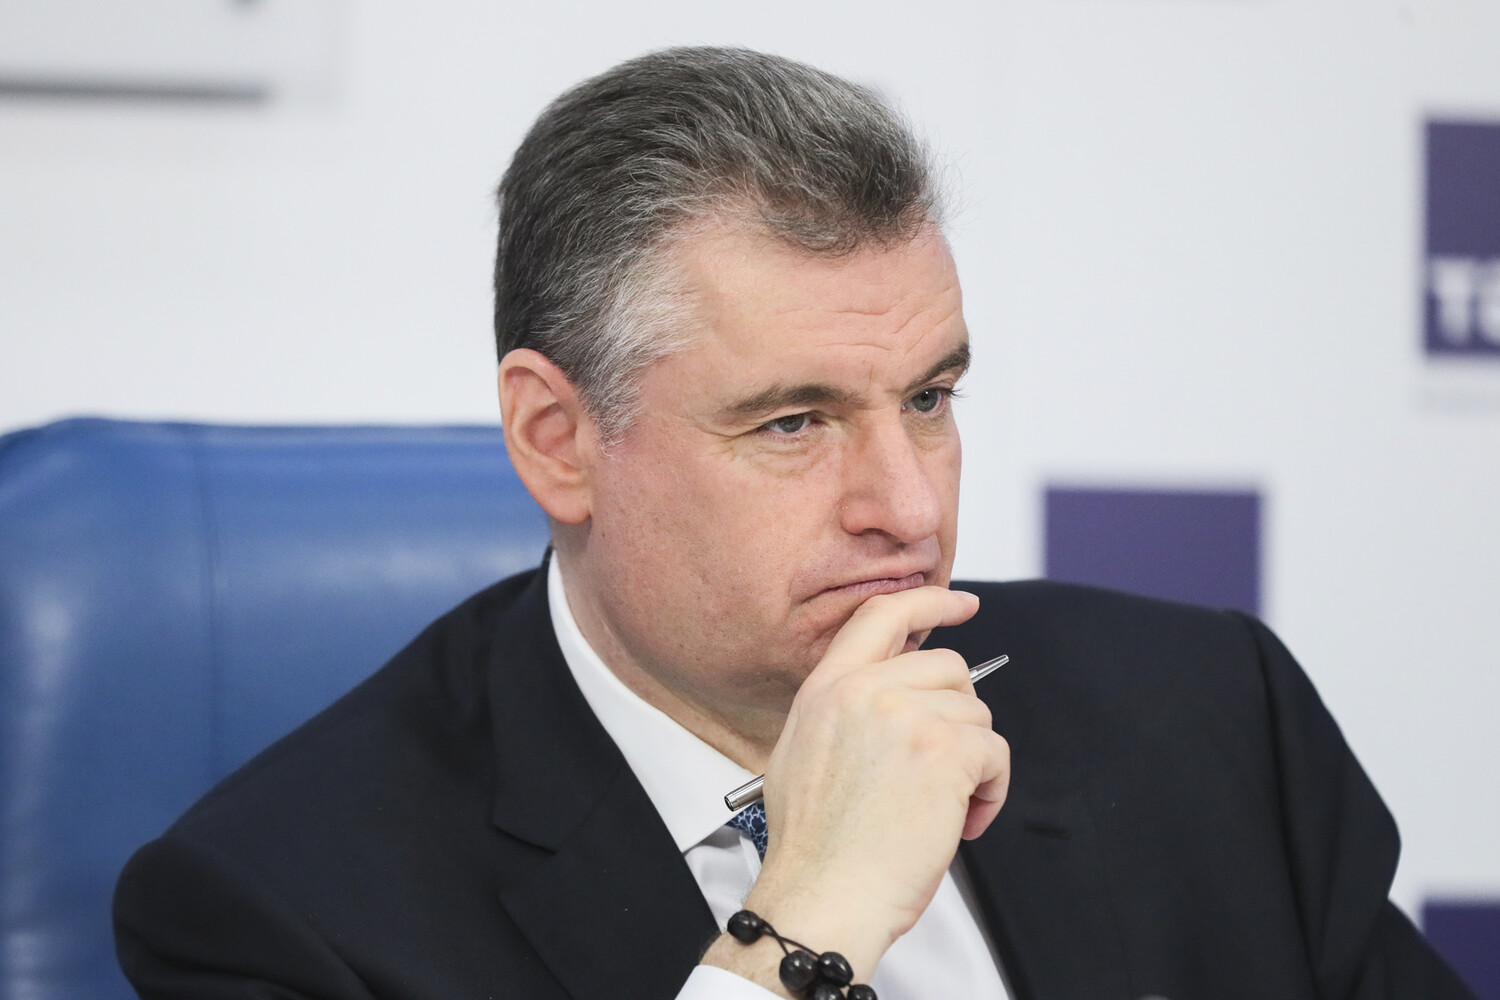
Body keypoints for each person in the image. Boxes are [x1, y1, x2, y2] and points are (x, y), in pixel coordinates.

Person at [114, 46, 1473, 1000]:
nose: (909, 509)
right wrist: (805, 923)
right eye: (792, 423)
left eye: (928, 399)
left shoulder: (1209, 718)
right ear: (557, 440)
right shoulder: (284, 915)